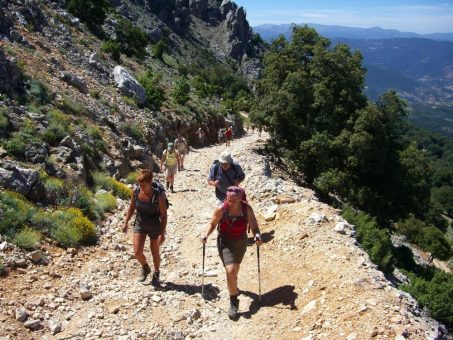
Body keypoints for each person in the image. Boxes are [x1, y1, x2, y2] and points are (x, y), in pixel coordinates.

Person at [202, 186, 262, 320]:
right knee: (230, 271)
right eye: (229, 200)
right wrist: (206, 235)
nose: (231, 203)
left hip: (241, 241)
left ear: (240, 199)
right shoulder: (221, 209)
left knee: (236, 268)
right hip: (225, 241)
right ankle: (234, 302)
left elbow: (254, 226)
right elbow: (212, 223)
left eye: (234, 201)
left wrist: (257, 236)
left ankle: (234, 284)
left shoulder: (247, 209)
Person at [123, 169, 167, 286]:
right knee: (137, 252)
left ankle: (156, 272)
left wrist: (162, 234)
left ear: (150, 182)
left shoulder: (158, 196)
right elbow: (132, 208)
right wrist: (126, 222)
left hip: (154, 226)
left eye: (144, 185)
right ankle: (145, 267)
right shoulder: (136, 191)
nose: (141, 187)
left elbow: (163, 215)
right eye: (139, 184)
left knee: (154, 252)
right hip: (140, 223)